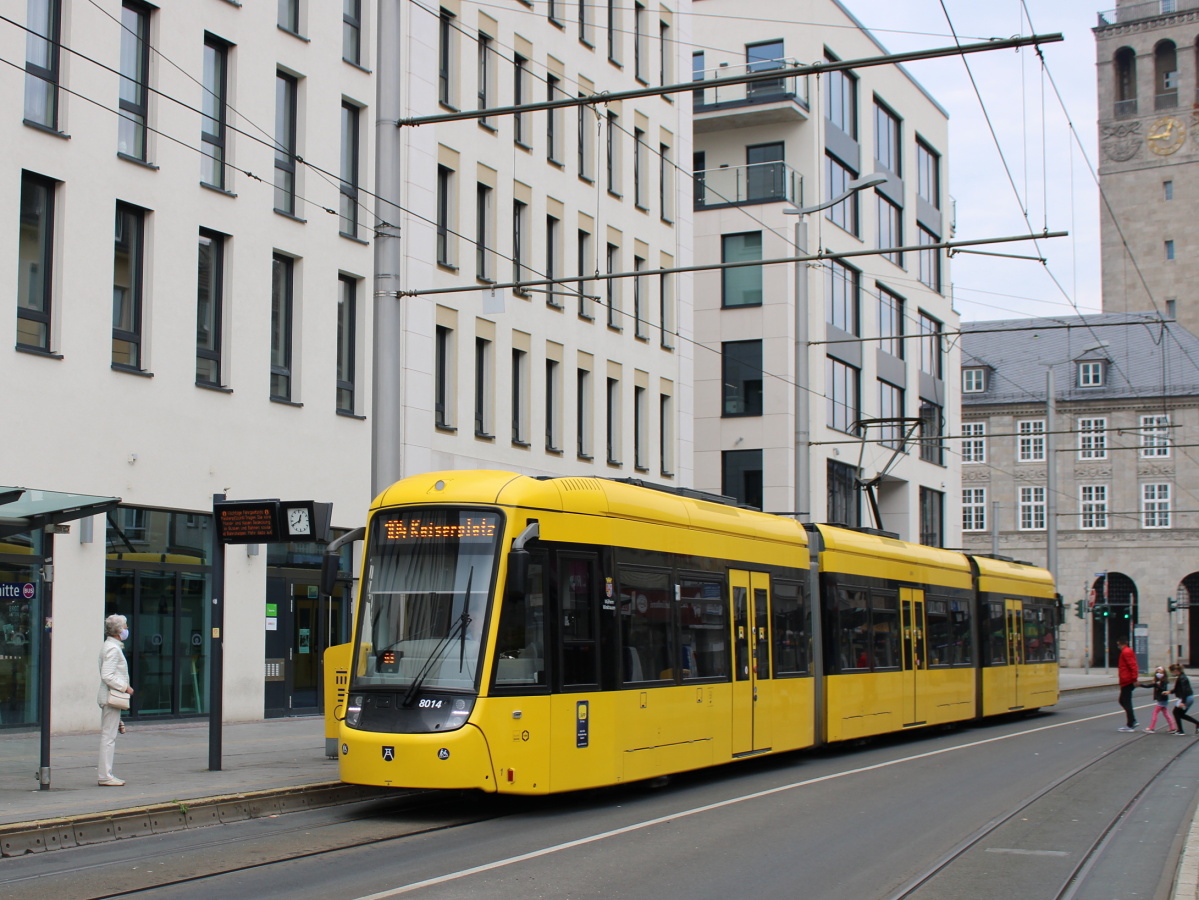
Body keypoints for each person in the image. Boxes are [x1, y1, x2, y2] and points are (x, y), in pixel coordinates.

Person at [97, 614, 133, 786]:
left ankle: (106, 774)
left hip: (109, 697)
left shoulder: (110, 646)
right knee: (108, 737)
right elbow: (107, 675)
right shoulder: (113, 649)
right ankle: (105, 775)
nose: (127, 629)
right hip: (112, 697)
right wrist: (125, 687)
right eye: (125, 627)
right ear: (119, 631)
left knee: (108, 735)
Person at [1143, 666, 1177, 733]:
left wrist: (1156, 685)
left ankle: (1151, 728)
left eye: (1159, 670)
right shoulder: (1158, 680)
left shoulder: (1163, 680)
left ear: (1163, 671)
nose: (1158, 672)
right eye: (1157, 670)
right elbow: (1150, 685)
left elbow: (1162, 689)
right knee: (1166, 714)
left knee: (1155, 712)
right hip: (1162, 699)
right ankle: (1172, 727)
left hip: (1162, 699)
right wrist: (1141, 685)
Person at [1116, 638, 1139, 732]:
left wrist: (1134, 679)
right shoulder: (1126, 651)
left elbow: (1132, 666)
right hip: (1126, 679)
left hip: (1127, 680)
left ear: (1119, 643)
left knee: (1125, 701)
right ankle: (1132, 721)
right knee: (1123, 700)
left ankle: (1131, 723)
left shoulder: (1126, 652)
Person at [1171, 664, 1199, 735]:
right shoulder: (1181, 677)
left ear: (1176, 671)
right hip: (1188, 697)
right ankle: (1197, 723)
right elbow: (1177, 689)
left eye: (1172, 672)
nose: (1172, 673)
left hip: (1187, 698)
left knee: (1176, 712)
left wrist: (1183, 702)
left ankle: (1180, 731)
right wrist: (1169, 692)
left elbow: (1184, 690)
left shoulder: (1182, 678)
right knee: (1180, 714)